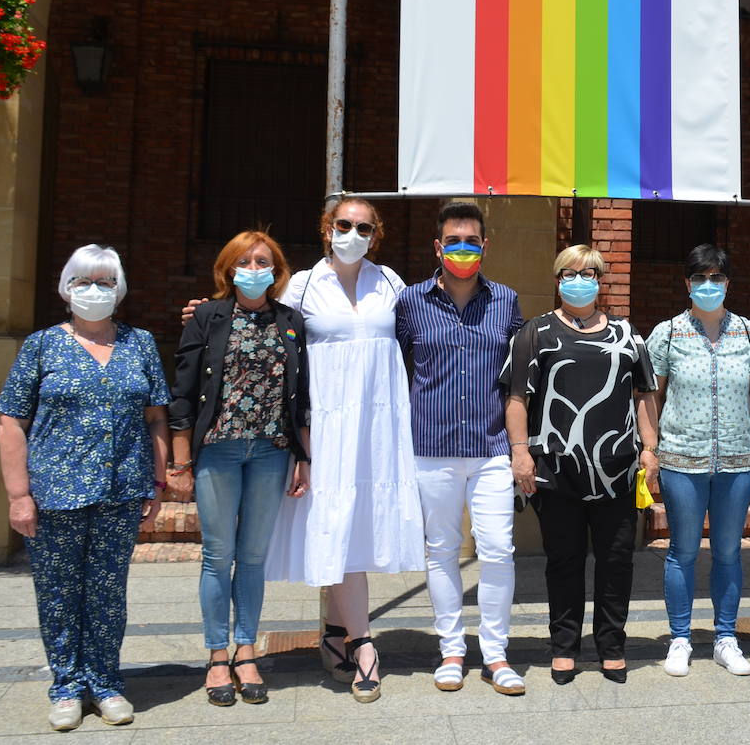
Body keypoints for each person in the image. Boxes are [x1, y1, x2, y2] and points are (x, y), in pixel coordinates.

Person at [0, 244, 171, 731]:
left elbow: (156, 417)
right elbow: (11, 422)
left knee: (108, 593)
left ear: (120, 290)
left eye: (106, 283)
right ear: (66, 287)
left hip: (121, 490)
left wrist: (156, 483)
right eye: (84, 282)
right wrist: (18, 495)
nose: (94, 291)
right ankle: (67, 686)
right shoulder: (42, 345)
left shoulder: (140, 343)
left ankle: (107, 682)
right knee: (57, 592)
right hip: (55, 492)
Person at [262, 195, 424, 703]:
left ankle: (335, 631)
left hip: (377, 425)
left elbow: (421, 337)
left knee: (352, 523)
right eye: (342, 224)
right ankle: (364, 643)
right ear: (325, 227)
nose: (351, 233)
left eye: (362, 227)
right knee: (336, 519)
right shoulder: (303, 284)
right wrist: (206, 310)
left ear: (376, 235)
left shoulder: (391, 282)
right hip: (325, 425)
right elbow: (269, 339)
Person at [502, 245, 659, 685]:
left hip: (618, 469)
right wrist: (520, 452)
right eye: (570, 272)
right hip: (555, 469)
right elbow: (517, 398)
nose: (579, 280)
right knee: (564, 561)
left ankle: (611, 646)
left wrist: (650, 448)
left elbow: (644, 394)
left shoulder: (629, 334)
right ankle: (564, 647)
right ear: (557, 279)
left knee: (616, 561)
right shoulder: (535, 332)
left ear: (600, 279)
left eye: (588, 273)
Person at [169, 230, 312, 707]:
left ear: (277, 269)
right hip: (219, 450)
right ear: (228, 268)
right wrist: (180, 458)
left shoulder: (290, 321)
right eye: (246, 261)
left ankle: (246, 650)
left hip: (271, 451)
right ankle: (216, 655)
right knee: (217, 555)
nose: (255, 268)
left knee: (252, 558)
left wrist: (303, 456)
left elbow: (302, 395)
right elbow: (183, 391)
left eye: (264, 261)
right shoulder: (206, 317)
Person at [395, 202, 527, 696]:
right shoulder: (410, 303)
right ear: (438, 246)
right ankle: (451, 649)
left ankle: (496, 654)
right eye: (454, 241)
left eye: (471, 241)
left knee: (498, 550)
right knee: (441, 551)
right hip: (431, 448)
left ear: (485, 246)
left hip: (492, 447)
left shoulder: (507, 301)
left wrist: (521, 447)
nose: (463, 249)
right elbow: (392, 366)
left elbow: (518, 380)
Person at [646, 245, 750, 678]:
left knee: (729, 552)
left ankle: (726, 637)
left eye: (716, 278)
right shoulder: (668, 333)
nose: (708, 286)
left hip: (737, 462)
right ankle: (680, 638)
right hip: (682, 459)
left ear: (728, 283)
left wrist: (736, 430)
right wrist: (653, 445)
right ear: (687, 283)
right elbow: (651, 396)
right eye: (700, 278)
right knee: (682, 551)